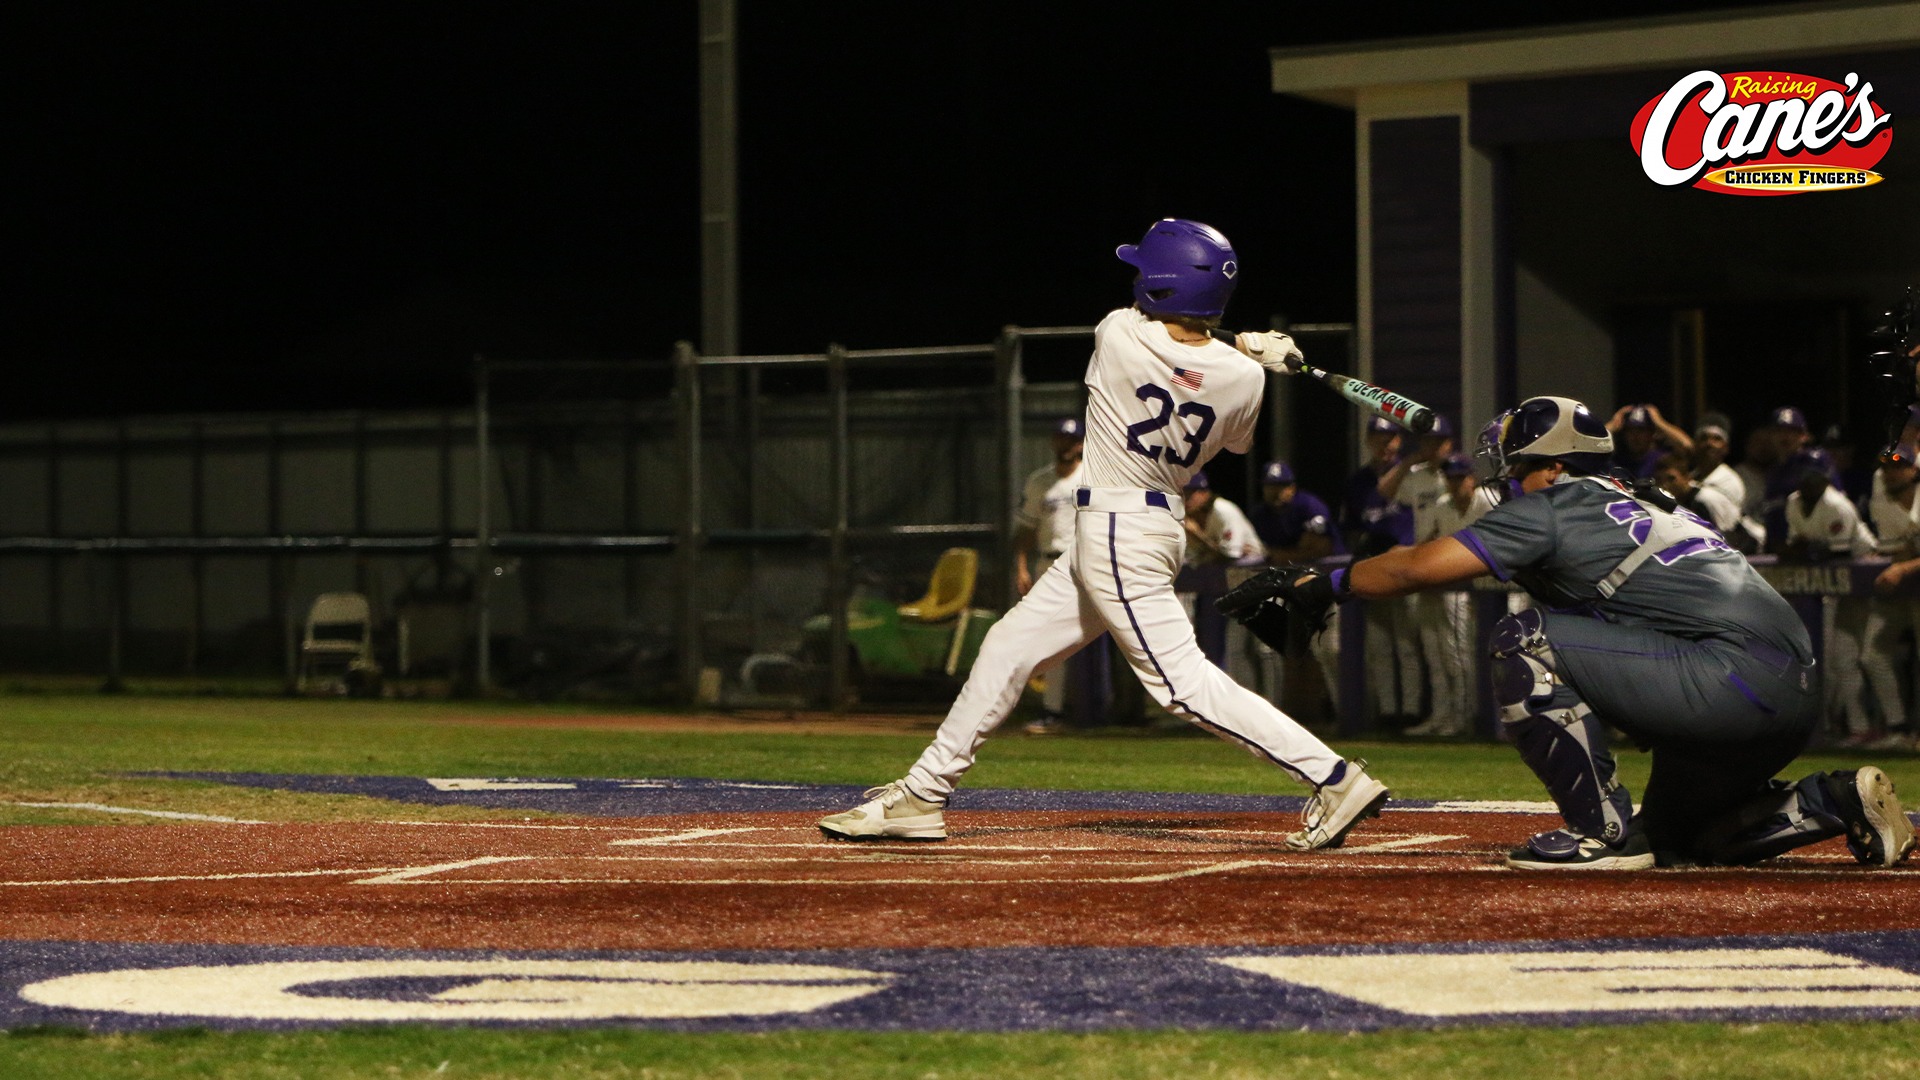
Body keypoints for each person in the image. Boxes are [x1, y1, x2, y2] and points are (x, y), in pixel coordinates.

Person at [818, 218, 1389, 849]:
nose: (1137, 278)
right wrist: (1248, 354)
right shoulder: (1245, 380)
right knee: (1010, 645)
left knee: (1180, 683)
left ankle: (1332, 777)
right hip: (1153, 523)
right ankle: (924, 793)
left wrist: (1241, 344)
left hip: (1119, 528)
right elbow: (1231, 431)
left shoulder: (1117, 332)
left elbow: (1167, 339)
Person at [1220, 395, 1915, 871]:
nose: (1512, 485)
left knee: (1525, 639)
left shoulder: (1559, 502)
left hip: (1724, 678)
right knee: (1681, 840)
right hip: (1787, 687)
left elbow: (1416, 569)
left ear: (1552, 467)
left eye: (1519, 470)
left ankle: (1597, 833)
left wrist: (1324, 582)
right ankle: (1834, 799)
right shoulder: (1644, 498)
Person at [1783, 448, 1899, 745]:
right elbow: (1797, 546)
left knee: (1869, 657)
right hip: (1837, 590)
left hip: (1867, 584)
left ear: (1825, 478)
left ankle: (1896, 727)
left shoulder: (1837, 505)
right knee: (1842, 659)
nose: (1810, 482)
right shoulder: (1793, 503)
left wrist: (1805, 550)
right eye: (1805, 475)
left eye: (1815, 476)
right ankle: (1860, 728)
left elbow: (1837, 554)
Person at [1011, 417, 1098, 735]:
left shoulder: (1093, 476)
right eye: (1061, 439)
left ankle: (1106, 709)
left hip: (1087, 564)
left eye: (1072, 440)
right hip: (1048, 564)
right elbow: (1025, 528)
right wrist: (1020, 566)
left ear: (1081, 444)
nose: (1066, 445)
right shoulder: (1040, 481)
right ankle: (1052, 711)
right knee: (1050, 639)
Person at [1400, 452, 1490, 738]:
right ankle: (1443, 716)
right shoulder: (1442, 505)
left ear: (1471, 479)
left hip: (1486, 588)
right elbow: (1429, 541)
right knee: (1439, 656)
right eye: (1450, 478)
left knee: (1460, 656)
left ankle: (1467, 718)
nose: (1455, 483)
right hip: (1451, 587)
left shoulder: (1486, 501)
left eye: (1460, 478)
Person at [1341, 416, 1422, 726]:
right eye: (1377, 437)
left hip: (1408, 567)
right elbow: (1350, 529)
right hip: (1375, 567)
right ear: (1368, 441)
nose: (1384, 444)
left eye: (1389, 438)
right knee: (1380, 645)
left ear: (1398, 441)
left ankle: (1412, 710)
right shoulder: (1357, 482)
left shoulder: (1412, 475)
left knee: (1407, 644)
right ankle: (1389, 713)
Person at [1246, 459, 1343, 716]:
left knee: (1331, 650)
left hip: (1327, 584)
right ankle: (1276, 713)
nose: (1276, 491)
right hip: (1293, 589)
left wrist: (1282, 555)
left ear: (1292, 487)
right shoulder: (1260, 515)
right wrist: (1293, 553)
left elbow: (1320, 548)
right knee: (1270, 646)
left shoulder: (1309, 505)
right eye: (1270, 486)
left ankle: (1349, 713)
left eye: (1282, 485)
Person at [1859, 446, 1920, 750]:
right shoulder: (1881, 498)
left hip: (1909, 579)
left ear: (1914, 470)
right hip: (1905, 586)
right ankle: (1898, 729)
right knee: (1872, 653)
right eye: (1885, 467)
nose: (1890, 472)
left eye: (1899, 466)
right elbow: (1900, 548)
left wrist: (1903, 567)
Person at [1177, 470, 1266, 677]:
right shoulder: (1190, 518)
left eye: (1193, 493)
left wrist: (1200, 537)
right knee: (1235, 651)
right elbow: (1200, 559)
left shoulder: (1223, 510)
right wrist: (1209, 548)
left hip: (1260, 582)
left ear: (1205, 493)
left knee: (1266, 652)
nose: (1188, 498)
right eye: (1185, 493)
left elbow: (1230, 556)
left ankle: (1274, 705)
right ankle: (1245, 704)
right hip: (1234, 589)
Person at [1654, 451, 1760, 554]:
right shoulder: (1677, 501)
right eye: (1659, 479)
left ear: (1686, 477)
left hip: (1754, 544)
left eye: (1671, 479)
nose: (1665, 485)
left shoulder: (1704, 499)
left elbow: (1725, 537)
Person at [1607, 404, 1692, 479]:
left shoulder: (1662, 458)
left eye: (1641, 430)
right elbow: (1594, 447)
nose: (1635, 436)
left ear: (1651, 433)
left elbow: (1687, 446)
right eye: (1630, 430)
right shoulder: (1618, 462)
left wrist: (1660, 423)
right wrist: (1613, 424)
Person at [1689, 415, 1749, 513]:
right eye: (1704, 438)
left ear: (1726, 448)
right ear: (1695, 445)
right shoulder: (1690, 477)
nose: (1709, 443)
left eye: (1717, 439)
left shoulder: (1729, 480)